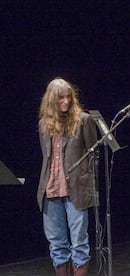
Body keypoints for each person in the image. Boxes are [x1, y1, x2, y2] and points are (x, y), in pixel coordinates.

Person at [37, 78, 97, 276]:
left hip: (76, 191)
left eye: (68, 97)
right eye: (60, 98)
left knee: (79, 243)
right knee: (57, 245)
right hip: (50, 190)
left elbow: (92, 154)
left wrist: (86, 183)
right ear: (51, 101)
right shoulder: (44, 124)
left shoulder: (84, 120)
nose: (65, 101)